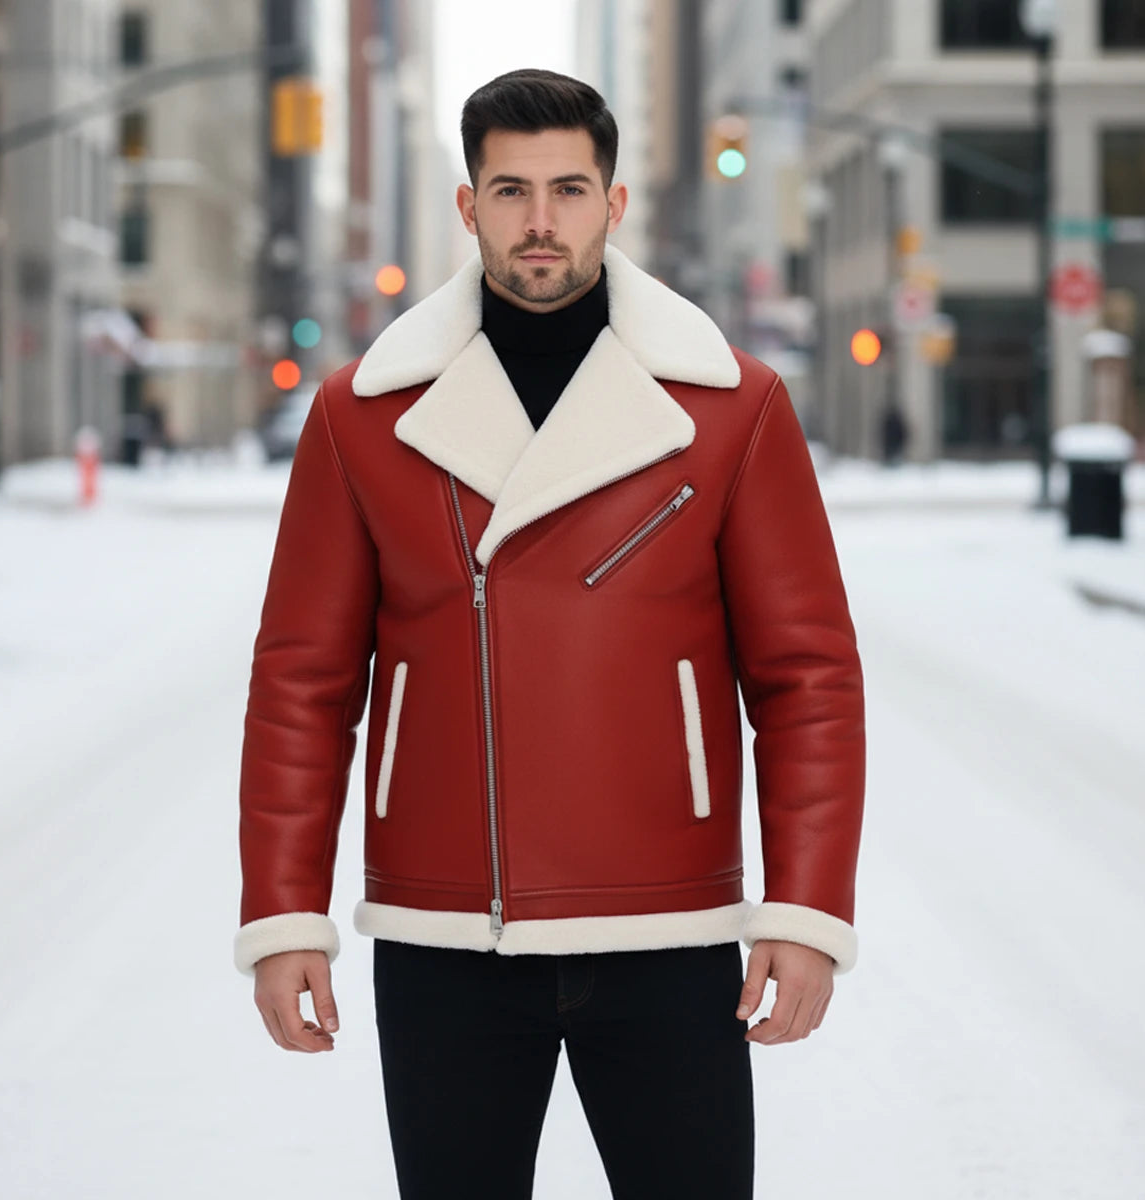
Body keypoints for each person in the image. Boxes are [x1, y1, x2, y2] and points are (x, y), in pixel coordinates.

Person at [234, 69, 865, 1199]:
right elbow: (302, 681)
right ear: (466, 205)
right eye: (510, 189)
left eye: (569, 189)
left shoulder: (731, 406)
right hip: (442, 935)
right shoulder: (361, 416)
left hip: (670, 927)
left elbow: (807, 678)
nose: (540, 220)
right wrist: (285, 914)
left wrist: (808, 908)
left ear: (614, 206)